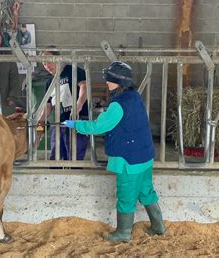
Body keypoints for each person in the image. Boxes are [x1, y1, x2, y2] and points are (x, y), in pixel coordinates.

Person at [63, 61, 166, 242]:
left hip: (128, 159)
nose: (107, 83)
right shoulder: (134, 96)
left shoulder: (118, 105)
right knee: (146, 191)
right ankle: (158, 226)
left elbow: (98, 126)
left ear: (117, 81)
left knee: (126, 196)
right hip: (145, 156)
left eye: (109, 80)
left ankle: (123, 233)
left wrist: (76, 125)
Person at [39, 47, 89, 161]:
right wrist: (39, 128)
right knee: (55, 156)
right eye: (44, 64)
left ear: (58, 58)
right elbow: (47, 107)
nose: (47, 66)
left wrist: (79, 105)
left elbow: (84, 86)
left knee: (73, 158)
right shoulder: (49, 82)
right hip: (59, 123)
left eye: (49, 61)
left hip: (77, 121)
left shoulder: (73, 70)